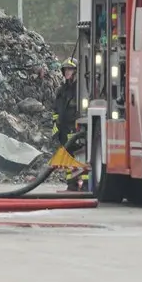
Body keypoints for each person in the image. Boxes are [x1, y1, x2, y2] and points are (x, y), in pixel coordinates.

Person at [52, 57, 87, 191]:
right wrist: (55, 126)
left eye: (70, 69)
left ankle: (84, 183)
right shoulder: (61, 91)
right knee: (67, 157)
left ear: (76, 71)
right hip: (64, 129)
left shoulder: (80, 90)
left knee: (81, 155)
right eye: (66, 69)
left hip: (76, 128)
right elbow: (56, 110)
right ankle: (71, 183)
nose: (67, 72)